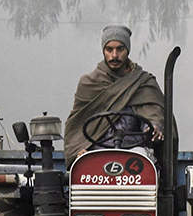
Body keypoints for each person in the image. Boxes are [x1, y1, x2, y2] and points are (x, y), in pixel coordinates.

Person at [63, 24, 166, 163]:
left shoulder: (142, 83)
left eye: (120, 49)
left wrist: (153, 127)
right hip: (98, 149)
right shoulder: (89, 83)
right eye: (109, 49)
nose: (114, 55)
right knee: (84, 161)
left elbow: (152, 115)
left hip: (134, 149)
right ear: (103, 50)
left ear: (127, 50)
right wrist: (80, 149)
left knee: (142, 158)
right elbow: (77, 125)